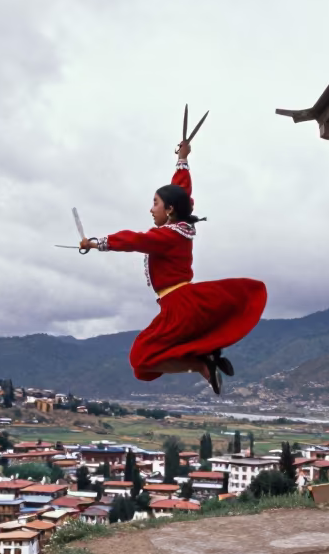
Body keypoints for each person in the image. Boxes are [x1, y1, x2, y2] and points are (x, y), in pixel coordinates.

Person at [80, 140, 267, 394]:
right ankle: (202, 362)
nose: (150, 208)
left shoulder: (168, 237)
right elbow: (181, 190)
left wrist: (97, 243)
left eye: (155, 203)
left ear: (169, 210)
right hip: (177, 304)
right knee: (140, 366)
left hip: (180, 305)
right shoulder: (177, 228)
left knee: (140, 359)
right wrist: (182, 158)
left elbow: (136, 240)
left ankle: (200, 365)